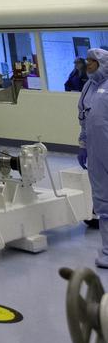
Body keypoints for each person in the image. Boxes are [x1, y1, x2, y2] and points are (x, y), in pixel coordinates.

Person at [78, 48, 108, 263]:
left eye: (92, 60)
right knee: (102, 202)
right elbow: (83, 117)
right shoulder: (88, 87)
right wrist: (83, 145)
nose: (88, 64)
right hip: (96, 153)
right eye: (87, 60)